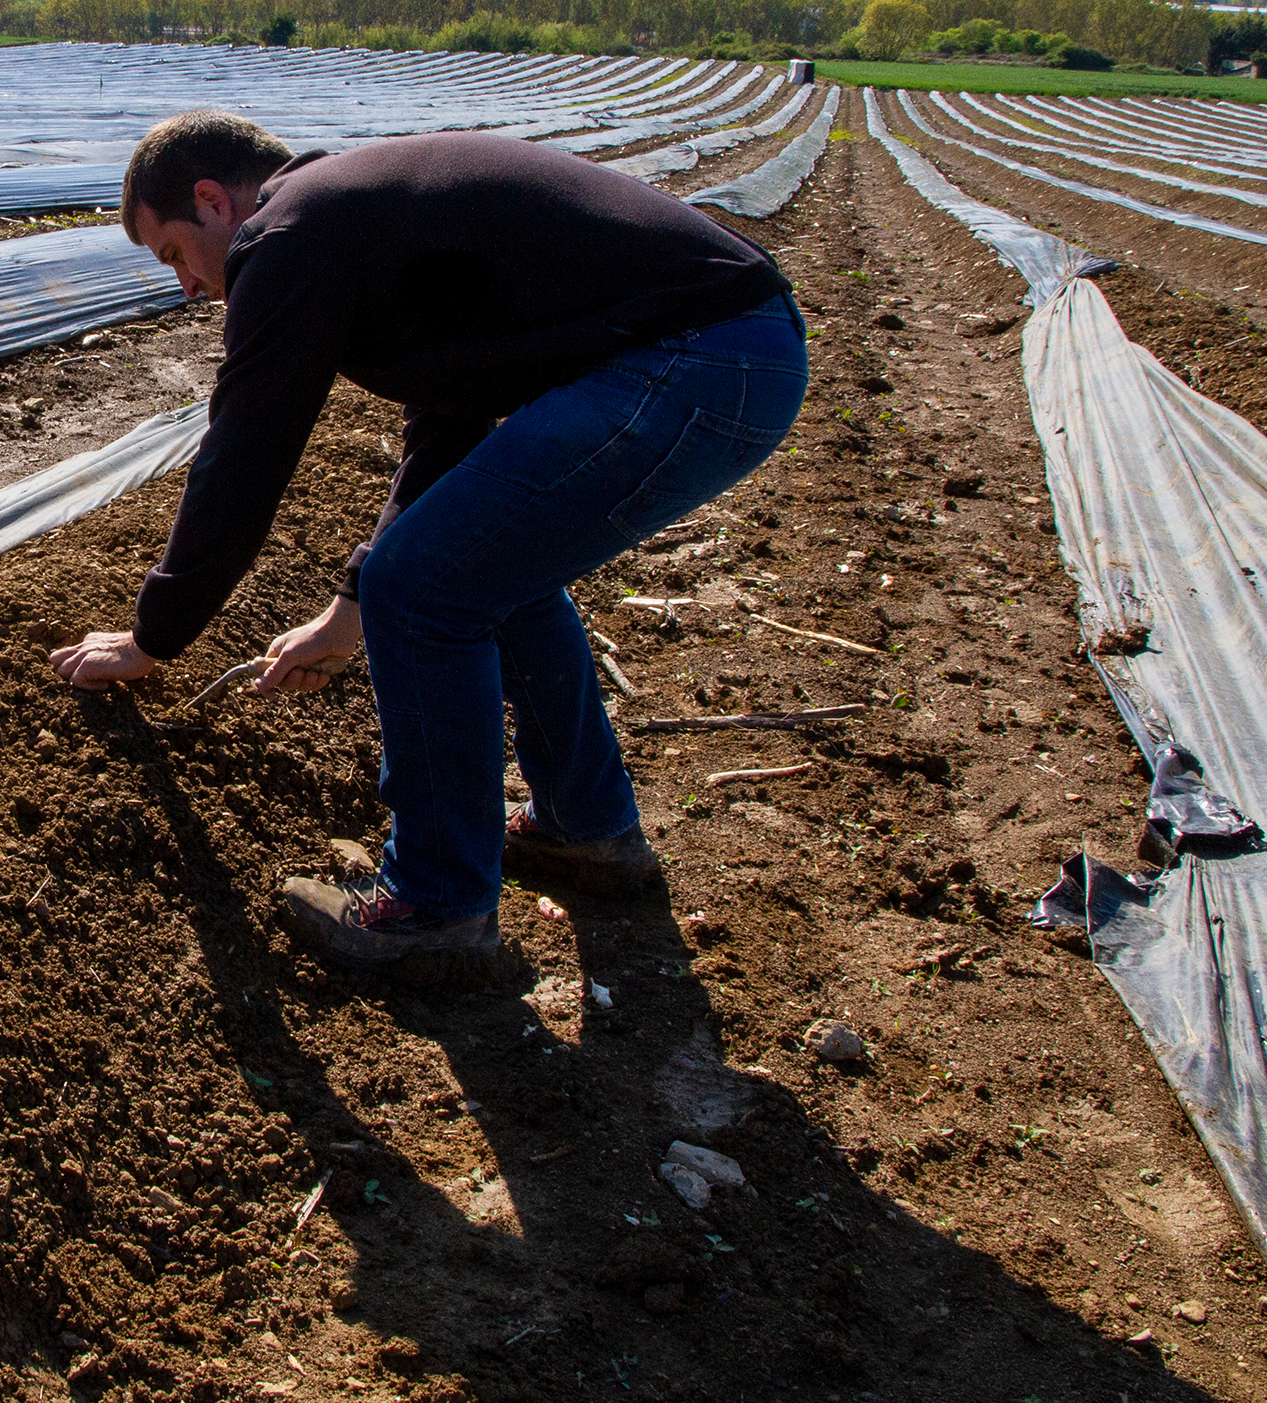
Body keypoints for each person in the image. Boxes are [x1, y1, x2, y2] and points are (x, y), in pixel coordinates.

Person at [50, 110, 806, 982]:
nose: (185, 283)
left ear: (213, 200)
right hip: (738, 348)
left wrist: (152, 637)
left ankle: (435, 904)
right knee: (480, 571)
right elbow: (446, 429)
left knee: (426, 589)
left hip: (698, 356)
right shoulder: (358, 212)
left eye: (173, 253)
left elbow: (245, 452)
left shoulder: (287, 234)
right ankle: (585, 827)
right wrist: (349, 607)